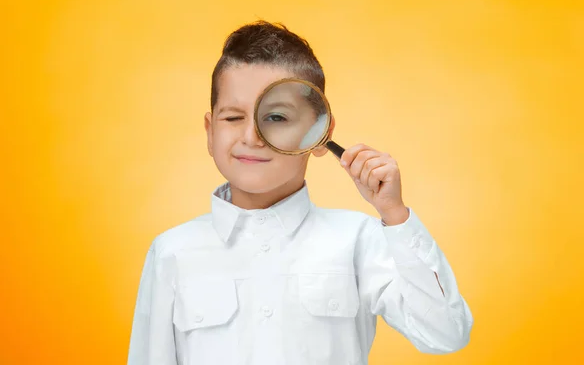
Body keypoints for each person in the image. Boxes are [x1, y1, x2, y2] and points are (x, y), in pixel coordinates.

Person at [127, 21, 473, 365]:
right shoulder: (171, 252)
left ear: (319, 132)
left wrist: (395, 215)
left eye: (275, 117)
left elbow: (446, 332)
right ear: (209, 131)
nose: (252, 136)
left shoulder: (358, 240)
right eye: (233, 118)